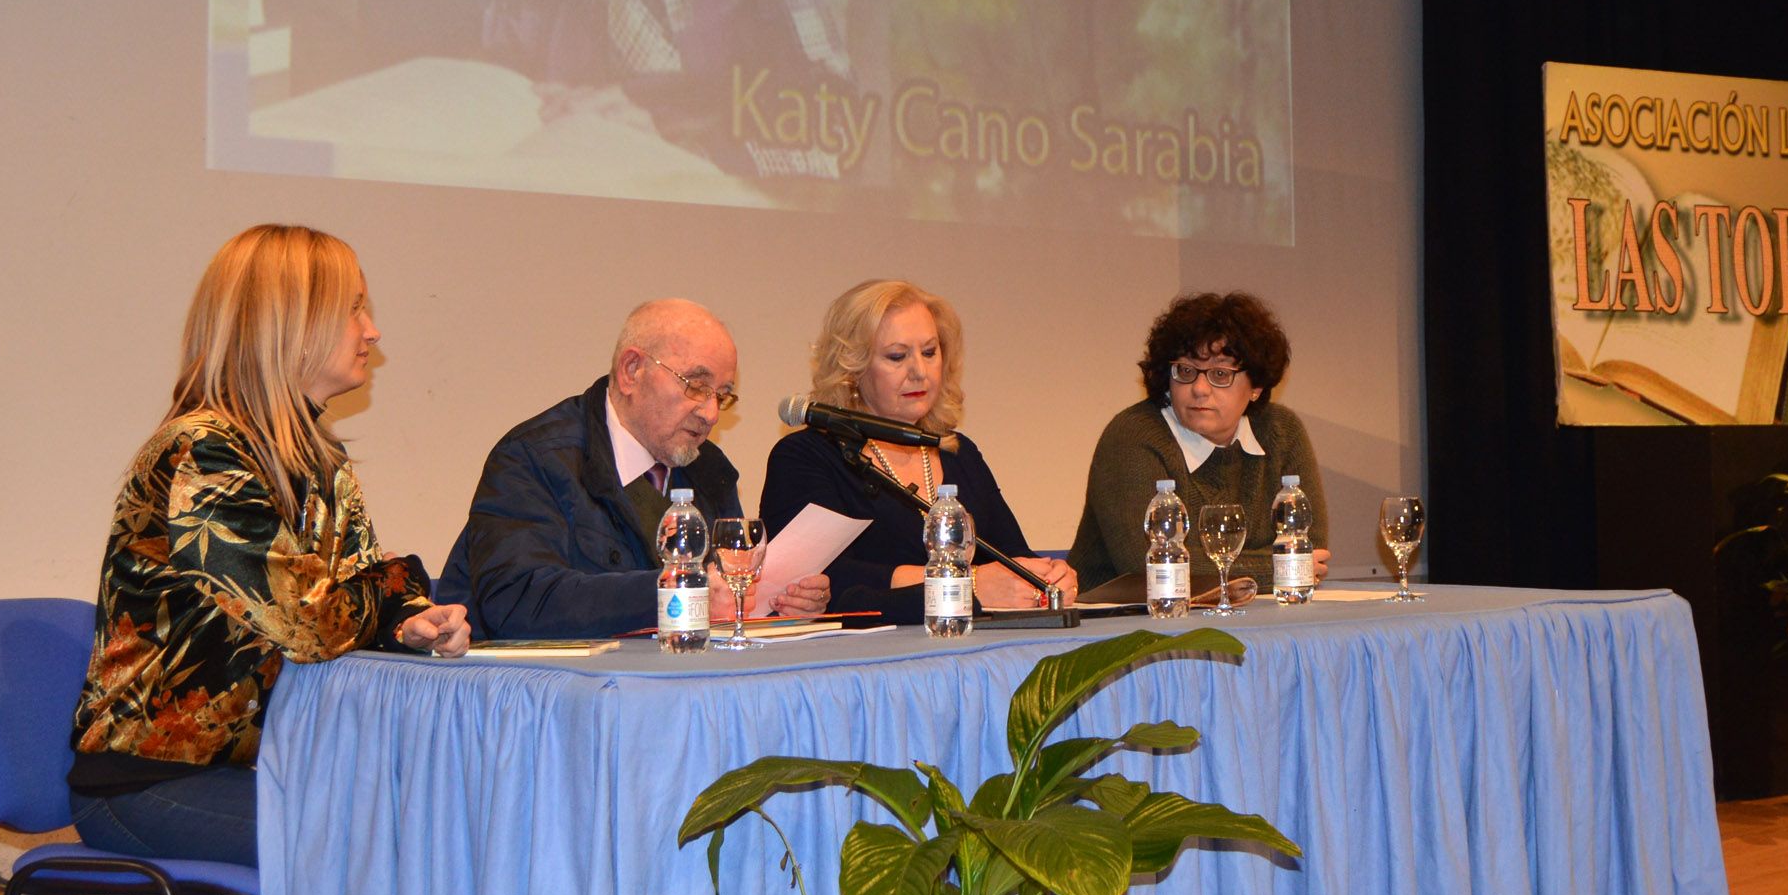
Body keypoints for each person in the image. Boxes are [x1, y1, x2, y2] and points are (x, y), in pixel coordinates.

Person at [70, 222, 470, 895]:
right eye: (356, 308)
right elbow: (312, 615)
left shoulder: (318, 462)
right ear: (290, 325)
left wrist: (417, 611)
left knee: (429, 839)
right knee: (382, 851)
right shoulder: (201, 455)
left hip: (254, 770)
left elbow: (370, 587)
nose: (375, 332)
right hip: (148, 782)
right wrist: (391, 602)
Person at [440, 298, 829, 637]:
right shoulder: (533, 458)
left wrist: (777, 604)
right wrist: (673, 590)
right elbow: (517, 599)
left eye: (722, 396)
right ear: (631, 371)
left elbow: (723, 591)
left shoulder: (708, 468)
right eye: (695, 385)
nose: (710, 413)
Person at [760, 280, 1076, 623]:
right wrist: (964, 585)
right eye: (897, 356)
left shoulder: (957, 451)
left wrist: (1049, 577)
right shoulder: (806, 456)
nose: (919, 372)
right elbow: (823, 582)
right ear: (853, 369)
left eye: (929, 352)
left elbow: (1011, 555)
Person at [1068, 291, 1331, 592]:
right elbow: (1153, 565)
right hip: (1125, 624)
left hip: (1251, 616)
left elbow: (1313, 549)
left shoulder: (1281, 430)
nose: (1200, 388)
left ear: (1256, 385)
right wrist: (1277, 566)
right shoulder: (1134, 435)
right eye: (1186, 371)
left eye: (1220, 374)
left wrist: (1234, 567)